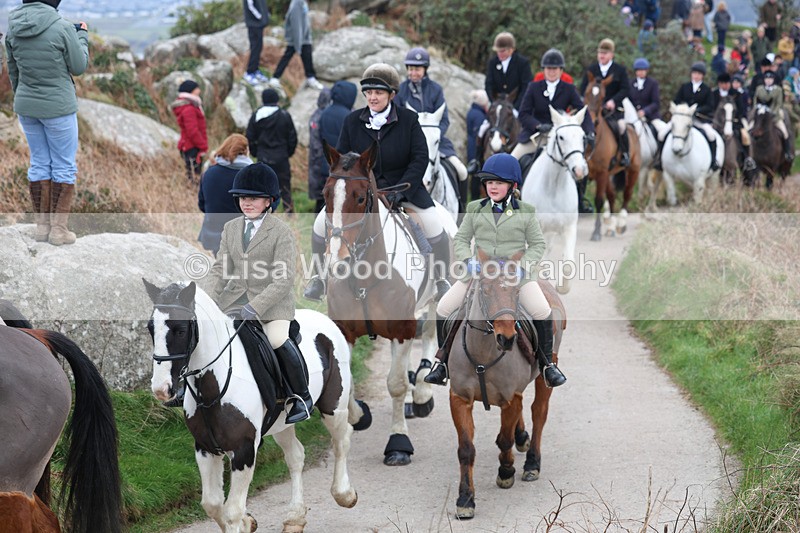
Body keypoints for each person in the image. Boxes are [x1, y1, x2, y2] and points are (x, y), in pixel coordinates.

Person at [303, 63, 452, 302]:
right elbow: (342, 159)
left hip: (403, 189)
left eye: (379, 93)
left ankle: (442, 279)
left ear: (392, 94)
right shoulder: (352, 121)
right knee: (321, 222)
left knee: (434, 224)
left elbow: (420, 158)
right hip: (360, 193)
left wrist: (403, 188)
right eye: (369, 93)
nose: (372, 97)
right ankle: (319, 279)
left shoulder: (409, 120)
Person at [424, 153, 566, 388]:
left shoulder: (526, 212)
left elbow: (538, 245)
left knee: (542, 311)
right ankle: (443, 363)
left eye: (499, 183)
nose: (493, 187)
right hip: (480, 274)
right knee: (444, 307)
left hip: (516, 275)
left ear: (512, 186)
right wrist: (469, 261)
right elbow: (461, 240)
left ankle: (546, 365)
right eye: (489, 183)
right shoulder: (475, 209)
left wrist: (523, 268)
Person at [207, 163, 312, 424]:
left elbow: (284, 278)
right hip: (233, 300)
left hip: (271, 306)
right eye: (242, 198)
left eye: (253, 198)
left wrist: (255, 306)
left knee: (276, 339)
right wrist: (205, 299)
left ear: (269, 201)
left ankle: (301, 396)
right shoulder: (231, 228)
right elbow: (220, 267)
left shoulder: (281, 232)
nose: (246, 203)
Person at [6, 0, 88, 246]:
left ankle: (42, 228)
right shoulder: (62, 27)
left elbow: (13, 71)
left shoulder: (13, 28)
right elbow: (78, 66)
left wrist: (25, 98)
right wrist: (82, 36)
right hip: (58, 108)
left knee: (39, 162)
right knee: (63, 166)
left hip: (26, 106)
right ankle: (59, 231)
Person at [514, 48, 595, 212]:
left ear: (561, 70)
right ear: (543, 70)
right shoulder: (533, 87)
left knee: (580, 164)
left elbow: (582, 112)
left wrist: (590, 131)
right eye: (548, 68)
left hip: (561, 137)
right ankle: (511, 202)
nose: (551, 72)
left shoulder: (569, 88)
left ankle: (579, 201)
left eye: (555, 69)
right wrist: (537, 125)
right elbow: (523, 114)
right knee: (512, 160)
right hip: (537, 136)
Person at [395, 47, 468, 182]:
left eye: (417, 69)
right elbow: (397, 119)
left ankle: (461, 203)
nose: (413, 73)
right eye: (410, 69)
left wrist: (434, 136)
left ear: (425, 69)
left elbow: (444, 120)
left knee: (462, 171)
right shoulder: (401, 91)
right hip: (410, 144)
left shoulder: (436, 89)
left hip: (436, 142)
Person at [198, 134, 255, 256]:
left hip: (214, 234)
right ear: (245, 151)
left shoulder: (209, 173)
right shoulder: (252, 175)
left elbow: (202, 205)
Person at [580, 38, 632, 167]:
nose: (602, 55)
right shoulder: (591, 69)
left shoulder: (619, 70)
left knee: (621, 127)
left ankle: (623, 154)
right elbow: (583, 88)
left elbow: (626, 89)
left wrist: (613, 101)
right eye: (600, 53)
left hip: (612, 110)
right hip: (593, 109)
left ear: (611, 55)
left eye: (605, 53)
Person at [246, 88, 298, 214]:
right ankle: (289, 212)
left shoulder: (256, 116)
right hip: (281, 156)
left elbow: (250, 137)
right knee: (285, 186)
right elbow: (292, 138)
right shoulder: (285, 115)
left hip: (263, 156)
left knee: (263, 188)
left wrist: (255, 153)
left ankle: (264, 213)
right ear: (277, 100)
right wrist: (287, 153)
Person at [268, 0, 324, 90]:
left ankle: (310, 77)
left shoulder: (302, 2)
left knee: (306, 57)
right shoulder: (297, 3)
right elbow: (296, 24)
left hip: (304, 38)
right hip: (298, 39)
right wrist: (298, 44)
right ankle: (275, 78)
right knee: (288, 56)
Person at [673, 62, 719, 169]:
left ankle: (713, 161)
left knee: (711, 135)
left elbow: (710, 106)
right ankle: (660, 160)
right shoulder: (685, 87)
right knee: (663, 133)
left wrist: (697, 110)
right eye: (694, 73)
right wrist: (682, 109)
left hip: (699, 120)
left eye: (699, 74)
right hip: (682, 119)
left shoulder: (707, 90)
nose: (696, 76)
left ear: (702, 76)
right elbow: (676, 101)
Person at [711, 72, 754, 169]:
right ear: (719, 84)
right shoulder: (714, 93)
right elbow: (712, 109)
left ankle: (747, 159)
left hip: (735, 121)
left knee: (745, 136)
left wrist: (735, 120)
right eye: (723, 83)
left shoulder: (736, 94)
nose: (725, 86)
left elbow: (741, 110)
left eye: (727, 83)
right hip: (717, 122)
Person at [170, 79, 208, 184]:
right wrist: (203, 145)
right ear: (191, 91)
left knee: (193, 175)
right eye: (197, 88)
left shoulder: (191, 105)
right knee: (194, 177)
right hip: (191, 147)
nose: (199, 90)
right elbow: (192, 131)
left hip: (191, 146)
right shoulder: (189, 109)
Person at [484, 32, 532, 110]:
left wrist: (515, 107)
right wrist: (494, 102)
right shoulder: (493, 62)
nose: (499, 54)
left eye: (502, 51)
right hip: (497, 104)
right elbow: (489, 84)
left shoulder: (522, 63)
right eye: (498, 51)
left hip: (517, 105)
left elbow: (526, 87)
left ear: (511, 50)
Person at [754, 70, 794, 161]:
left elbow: (779, 104)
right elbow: (755, 101)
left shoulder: (778, 90)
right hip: (760, 116)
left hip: (774, 116)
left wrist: (771, 113)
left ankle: (787, 152)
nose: (768, 81)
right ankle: (750, 155)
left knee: (785, 133)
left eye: (770, 79)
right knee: (750, 130)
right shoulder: (759, 89)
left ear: (773, 80)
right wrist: (759, 108)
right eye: (766, 79)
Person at [308, 87, 332, 213]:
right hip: (321, 158)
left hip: (318, 158)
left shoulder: (316, 115)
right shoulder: (320, 116)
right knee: (321, 194)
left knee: (321, 193)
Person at [466, 89, 489, 201]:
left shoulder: (473, 111)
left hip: (471, 147)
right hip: (475, 149)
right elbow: (479, 134)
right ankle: (476, 198)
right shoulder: (479, 115)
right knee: (477, 175)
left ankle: (473, 198)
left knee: (475, 175)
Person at [242, 0, 270, 86]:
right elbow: (250, 6)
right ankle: (249, 72)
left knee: (258, 47)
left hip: (259, 24)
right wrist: (260, 16)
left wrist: (265, 15)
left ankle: (255, 70)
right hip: (254, 24)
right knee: (255, 48)